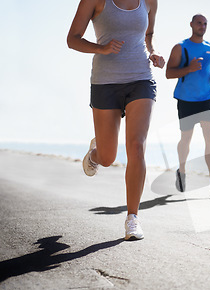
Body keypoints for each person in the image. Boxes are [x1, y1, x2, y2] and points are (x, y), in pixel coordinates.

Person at [67, 0, 165, 240]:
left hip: (141, 79)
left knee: (136, 146)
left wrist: (152, 51)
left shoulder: (150, 1)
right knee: (108, 157)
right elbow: (73, 38)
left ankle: (133, 218)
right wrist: (101, 48)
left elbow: (148, 33)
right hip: (105, 82)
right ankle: (95, 154)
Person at [166, 14, 210, 196]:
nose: (202, 26)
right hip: (186, 100)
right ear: (191, 24)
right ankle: (181, 171)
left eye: (205, 23)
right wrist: (189, 69)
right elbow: (169, 73)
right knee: (186, 138)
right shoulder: (181, 47)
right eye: (199, 23)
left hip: (207, 98)